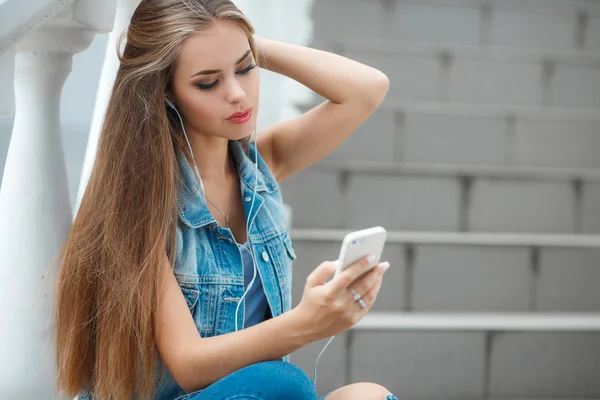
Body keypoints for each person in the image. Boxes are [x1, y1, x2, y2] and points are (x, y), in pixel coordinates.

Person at [54, 0, 393, 399]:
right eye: (207, 82)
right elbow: (188, 364)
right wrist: (308, 321)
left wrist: (235, 43)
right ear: (166, 92)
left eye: (245, 69)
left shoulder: (261, 166)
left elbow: (367, 90)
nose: (237, 94)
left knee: (367, 394)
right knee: (283, 383)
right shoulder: (137, 205)